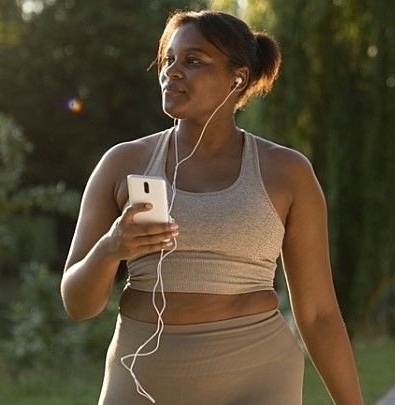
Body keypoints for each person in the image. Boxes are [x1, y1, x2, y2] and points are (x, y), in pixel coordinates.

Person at [60, 9, 364, 405]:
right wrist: (110, 248)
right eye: (168, 59)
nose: (171, 71)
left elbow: (319, 314)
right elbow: (77, 304)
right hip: (141, 376)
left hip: (258, 377)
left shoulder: (287, 173)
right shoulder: (123, 164)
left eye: (193, 61)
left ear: (237, 79)